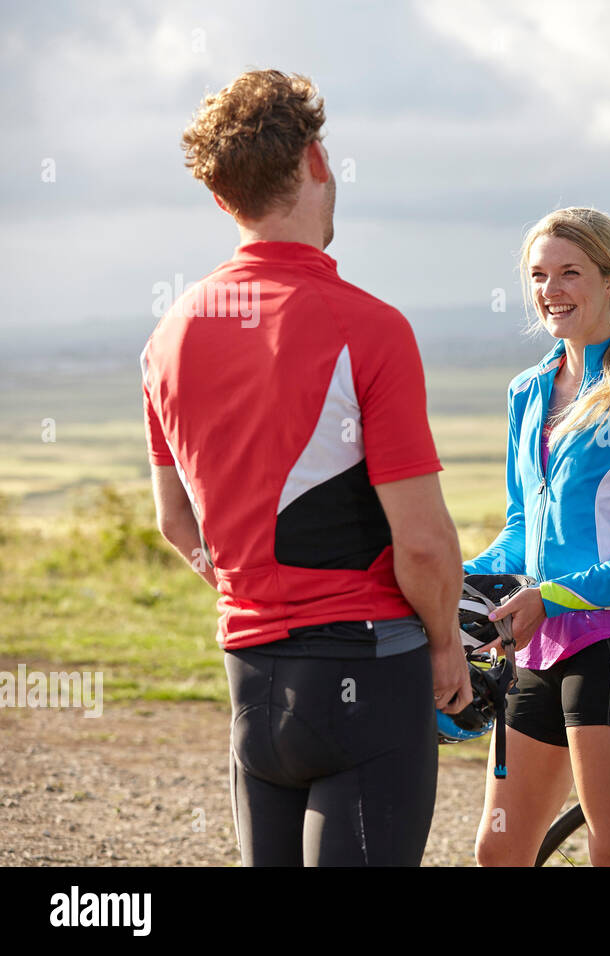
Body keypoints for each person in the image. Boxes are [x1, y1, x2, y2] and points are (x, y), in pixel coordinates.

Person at [141, 70, 469, 866]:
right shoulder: (371, 327)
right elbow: (421, 543)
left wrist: (253, 600)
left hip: (251, 676)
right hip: (370, 673)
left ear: (224, 199)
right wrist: (447, 642)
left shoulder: (170, 336)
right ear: (319, 160)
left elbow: (175, 522)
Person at [466, 207, 610, 866]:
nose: (551, 290)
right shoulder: (527, 391)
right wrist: (461, 585)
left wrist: (555, 596)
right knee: (500, 850)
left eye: (570, 273)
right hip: (539, 648)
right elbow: (522, 531)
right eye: (539, 275)